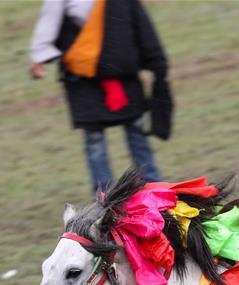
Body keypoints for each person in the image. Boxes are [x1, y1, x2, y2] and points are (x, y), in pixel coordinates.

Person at [29, 0, 172, 192]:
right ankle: (104, 194)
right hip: (84, 76)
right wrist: (39, 56)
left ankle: (152, 183)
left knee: (136, 129)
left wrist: (156, 60)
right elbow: (49, 19)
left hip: (121, 70)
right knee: (94, 139)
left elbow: (139, 22)